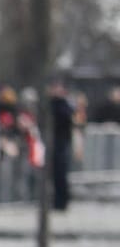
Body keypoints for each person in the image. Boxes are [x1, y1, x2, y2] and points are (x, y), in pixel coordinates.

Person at [48, 80, 75, 212]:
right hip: (52, 142)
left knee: (61, 174)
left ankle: (62, 201)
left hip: (62, 142)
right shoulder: (50, 104)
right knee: (53, 175)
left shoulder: (65, 105)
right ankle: (55, 201)